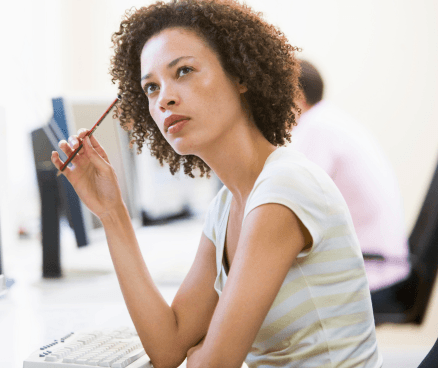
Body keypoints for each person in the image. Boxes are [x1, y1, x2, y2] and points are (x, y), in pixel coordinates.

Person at [51, 1, 382, 367]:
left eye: (184, 71)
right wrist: (111, 213)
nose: (165, 98)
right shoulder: (226, 206)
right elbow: (169, 347)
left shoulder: (284, 188)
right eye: (151, 87)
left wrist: (203, 355)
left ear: (240, 75)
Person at [291, 60, 410, 291]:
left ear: (297, 98)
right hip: (384, 264)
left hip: (373, 268)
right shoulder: (331, 120)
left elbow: (292, 196)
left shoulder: (317, 127)